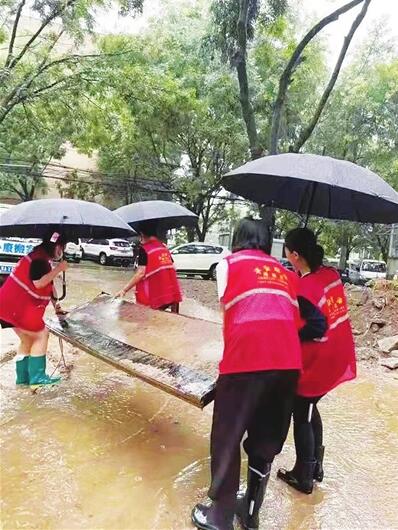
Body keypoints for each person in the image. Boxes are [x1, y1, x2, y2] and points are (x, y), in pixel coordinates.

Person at [191, 218, 303, 530]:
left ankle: (221, 515)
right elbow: (291, 319)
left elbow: (232, 312)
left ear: (237, 239)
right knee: (265, 439)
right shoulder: (287, 274)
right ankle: (250, 512)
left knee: (227, 435)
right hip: (288, 364)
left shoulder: (228, 264)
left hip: (246, 361)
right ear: (269, 243)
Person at [277, 228, 357, 494]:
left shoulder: (305, 287)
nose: (286, 256)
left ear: (296, 254)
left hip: (320, 360)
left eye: (287, 251)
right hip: (339, 350)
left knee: (301, 413)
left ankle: (304, 476)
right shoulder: (331, 275)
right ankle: (316, 467)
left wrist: (289, 334)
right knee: (311, 409)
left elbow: (316, 326)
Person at [0, 231, 68, 387]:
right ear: (58, 246)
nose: (62, 251)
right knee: (41, 334)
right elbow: (39, 283)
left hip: (6, 307)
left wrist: (57, 306)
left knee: (27, 339)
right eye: (63, 247)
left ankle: (23, 379)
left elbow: (48, 286)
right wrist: (59, 269)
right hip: (15, 307)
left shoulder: (39, 257)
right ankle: (37, 378)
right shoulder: (39, 261)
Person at [116, 221, 182, 311]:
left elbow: (140, 273)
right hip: (171, 295)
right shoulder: (163, 247)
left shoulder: (145, 249)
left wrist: (124, 290)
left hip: (155, 297)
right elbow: (173, 268)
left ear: (142, 234)